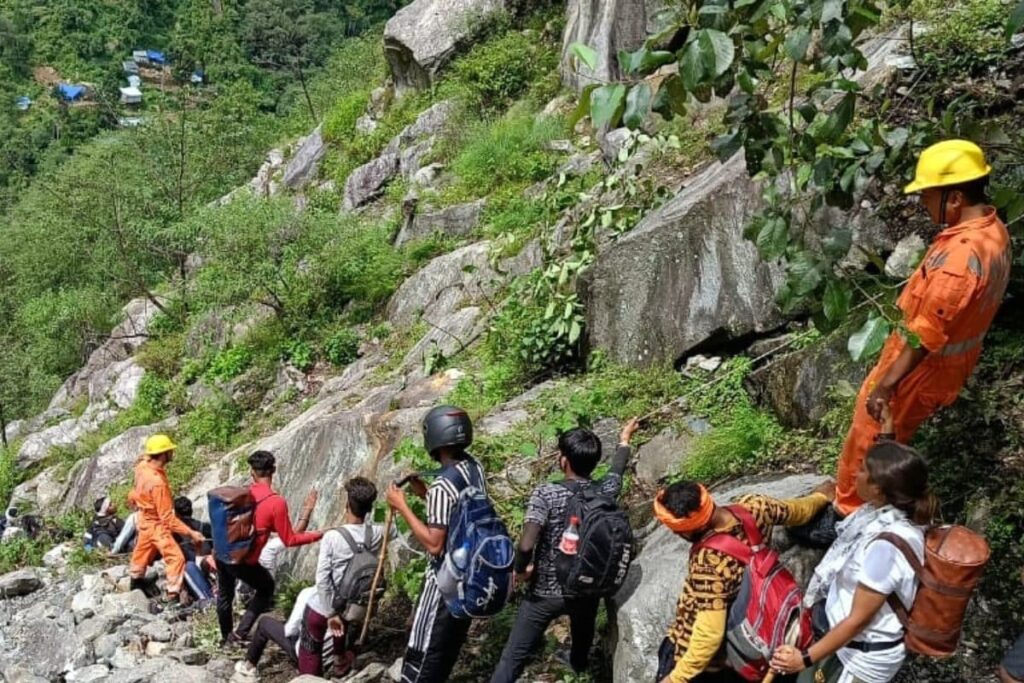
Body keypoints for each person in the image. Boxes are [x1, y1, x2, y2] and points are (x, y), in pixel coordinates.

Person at [826, 139, 1010, 526]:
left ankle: (850, 514)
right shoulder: (992, 231)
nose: (923, 203)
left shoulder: (960, 259)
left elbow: (926, 336)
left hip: (921, 369)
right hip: (942, 365)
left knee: (873, 440)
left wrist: (886, 385)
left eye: (928, 194)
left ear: (955, 197)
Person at [770, 404, 936, 683]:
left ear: (878, 490)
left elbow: (858, 620)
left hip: (860, 659)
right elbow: (893, 467)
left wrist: (805, 658)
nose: (854, 474)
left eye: (862, 471)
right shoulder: (892, 506)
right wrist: (887, 427)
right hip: (846, 643)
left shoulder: (885, 547)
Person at [490, 419, 640, 683]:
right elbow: (617, 469)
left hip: (545, 592)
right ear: (593, 463)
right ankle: (579, 667)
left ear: (563, 461)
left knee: (512, 658)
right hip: (585, 587)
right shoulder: (603, 492)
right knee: (582, 634)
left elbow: (526, 544)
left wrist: (520, 570)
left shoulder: (546, 493)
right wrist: (624, 440)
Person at [654, 478, 836, 683]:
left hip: (715, 659)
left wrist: (675, 678)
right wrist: (821, 497)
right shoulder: (755, 507)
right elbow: (798, 511)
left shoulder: (708, 563)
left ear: (687, 529)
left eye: (675, 530)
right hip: (759, 614)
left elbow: (709, 636)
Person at [386, 405, 483, 683]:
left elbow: (434, 544)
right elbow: (458, 513)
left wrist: (402, 505)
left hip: (445, 581)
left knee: (425, 647)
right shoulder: (473, 468)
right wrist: (424, 495)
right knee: (447, 645)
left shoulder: (443, 485)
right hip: (470, 574)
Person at [217, 450, 323, 647]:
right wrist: (320, 533)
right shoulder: (276, 502)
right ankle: (240, 634)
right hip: (244, 561)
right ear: (273, 470)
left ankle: (226, 638)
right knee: (266, 588)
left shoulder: (242, 495)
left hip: (222, 552)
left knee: (225, 594)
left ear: (252, 473)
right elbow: (290, 539)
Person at [302, 476, 388, 677]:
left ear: (347, 505)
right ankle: (340, 661)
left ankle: (311, 676)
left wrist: (330, 613)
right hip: (351, 604)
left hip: (323, 608)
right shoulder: (378, 532)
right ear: (369, 508)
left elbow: (322, 578)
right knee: (342, 630)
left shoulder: (333, 536)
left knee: (310, 655)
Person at [128, 434, 205, 605]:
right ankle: (173, 596)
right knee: (176, 558)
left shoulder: (142, 467)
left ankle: (135, 581)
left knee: (142, 550)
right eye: (170, 450)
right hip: (156, 524)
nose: (172, 453)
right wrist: (191, 533)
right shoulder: (157, 483)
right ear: (163, 454)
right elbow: (168, 518)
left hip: (143, 518)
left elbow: (140, 462)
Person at [230, 585, 335, 682]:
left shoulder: (310, 593)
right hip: (333, 657)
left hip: (307, 655)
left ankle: (249, 666)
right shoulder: (347, 601)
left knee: (264, 622)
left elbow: (289, 630)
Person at [173, 496, 216, 603]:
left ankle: (207, 601)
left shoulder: (175, 534)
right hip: (211, 565)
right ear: (191, 510)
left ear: (176, 514)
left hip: (195, 570)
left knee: (188, 567)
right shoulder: (204, 527)